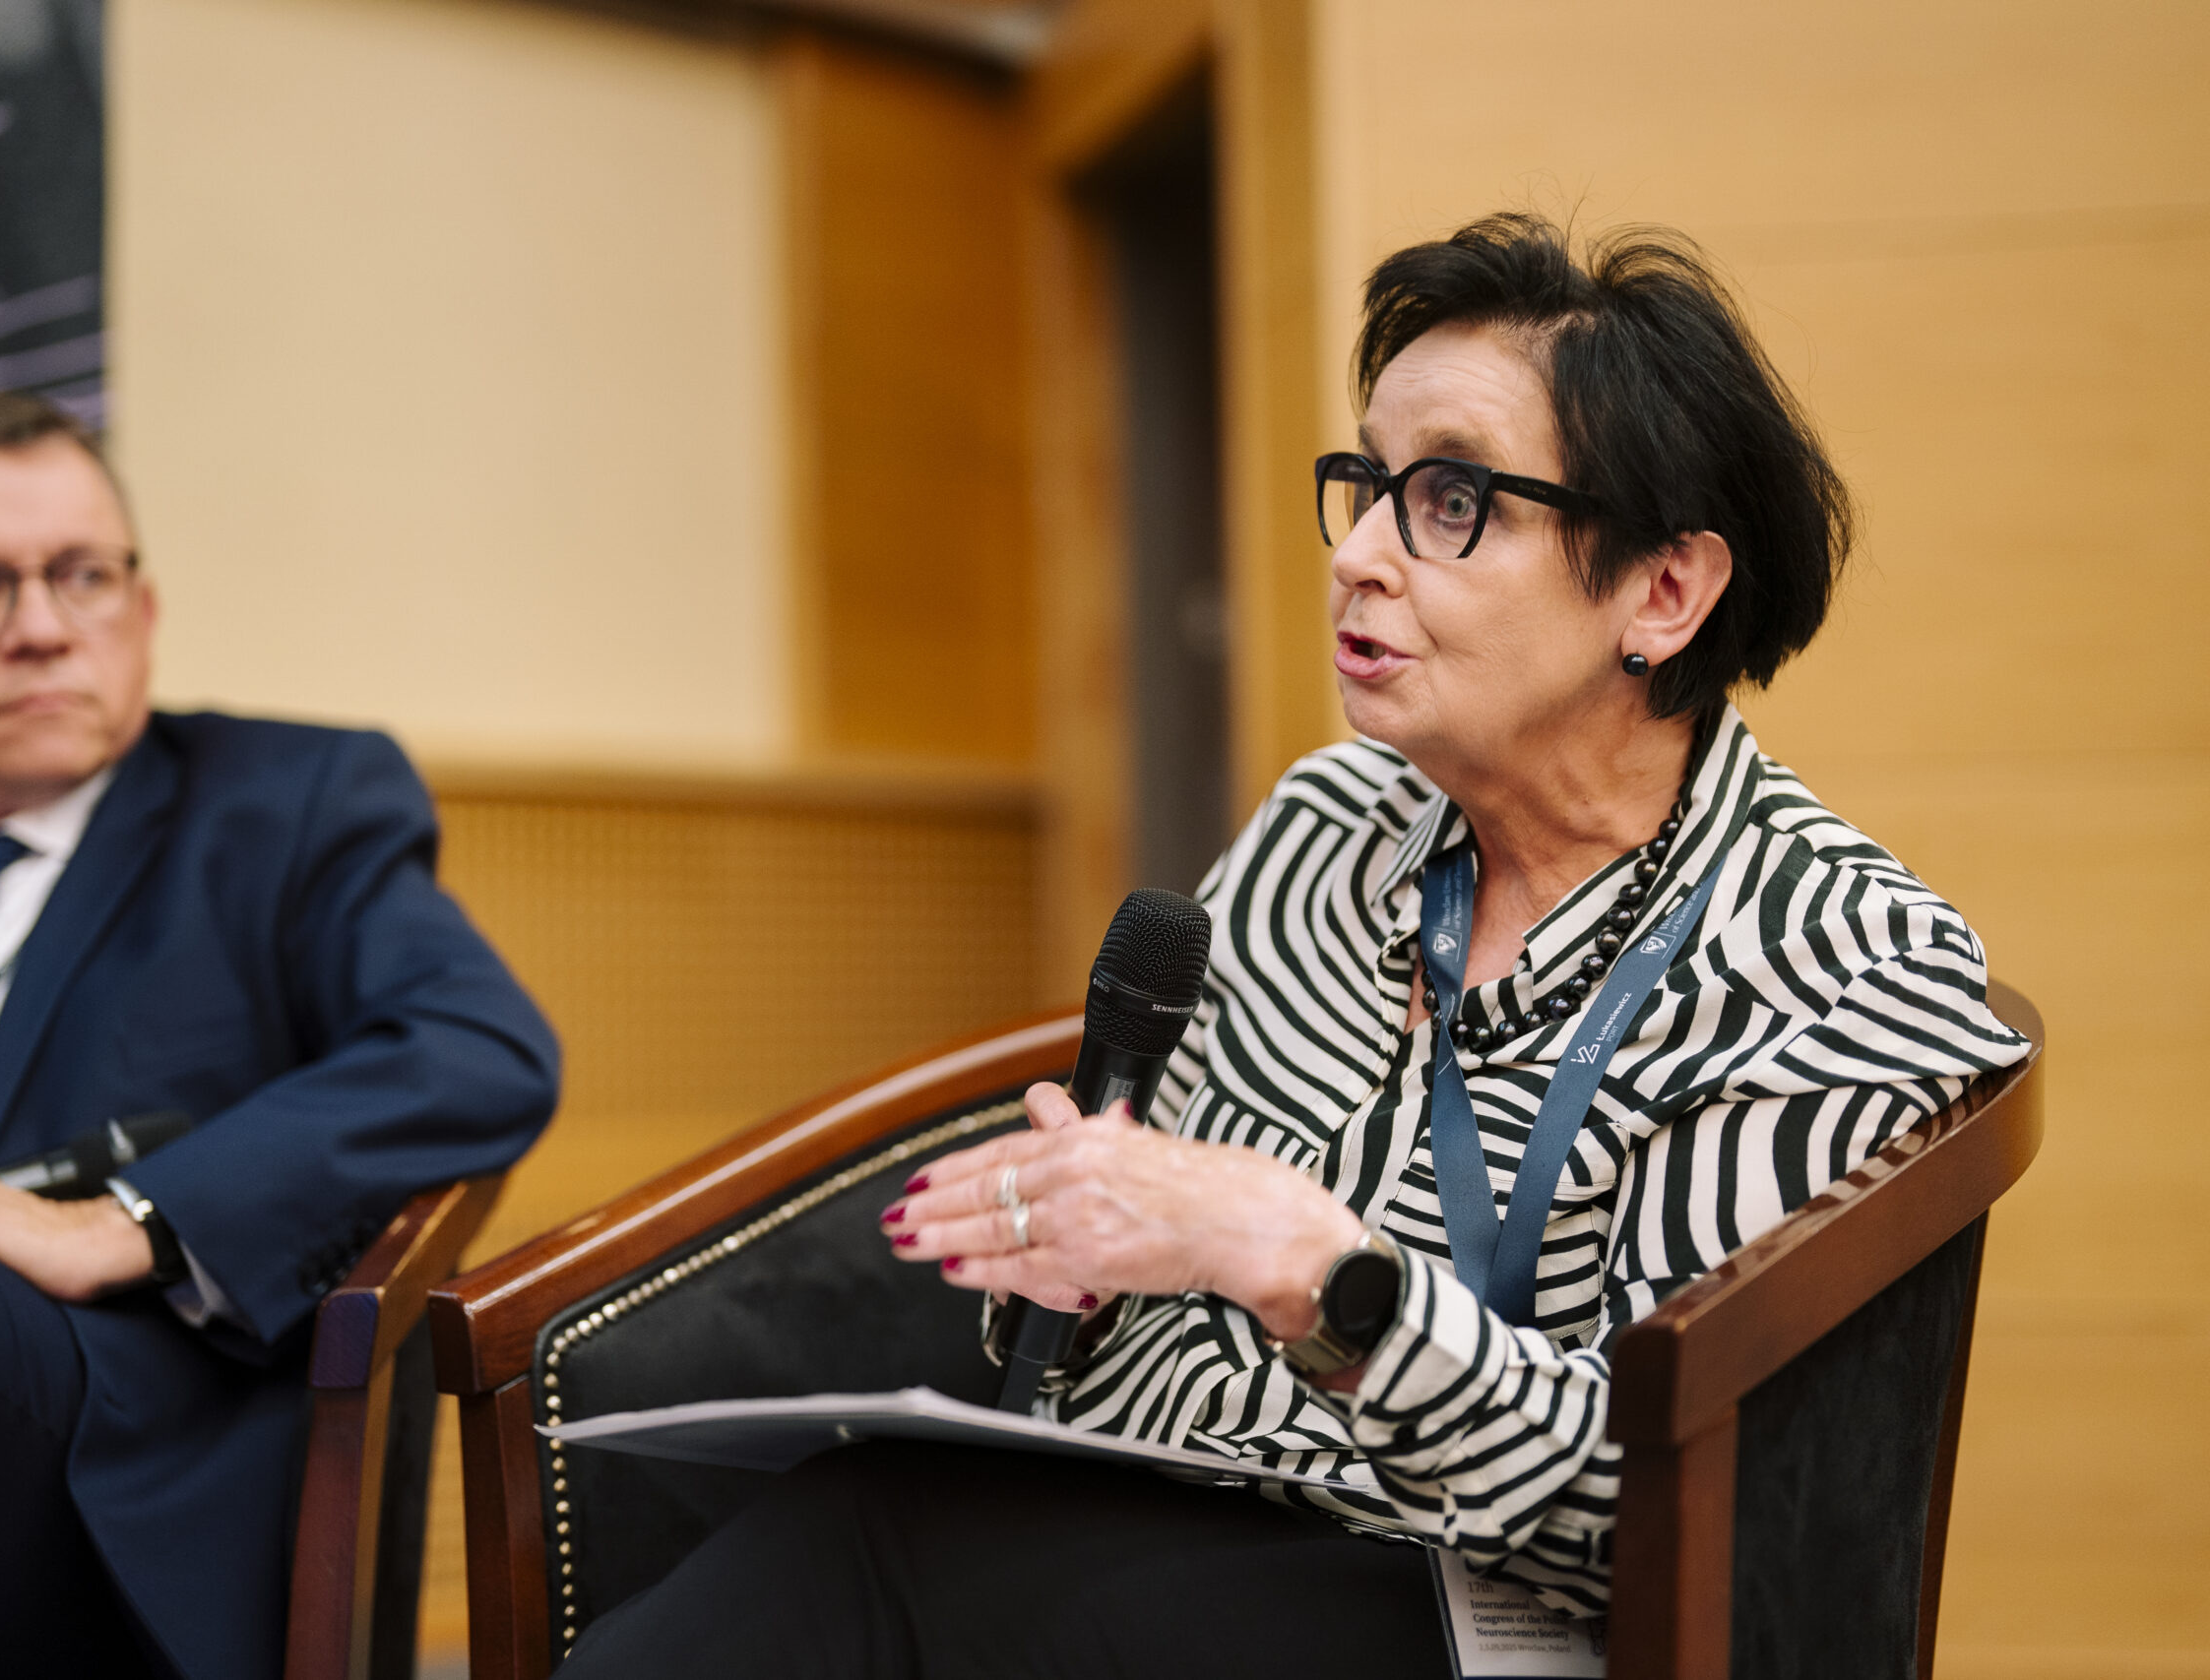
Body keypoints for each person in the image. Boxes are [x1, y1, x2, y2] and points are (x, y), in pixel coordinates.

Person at [562, 215, 2032, 1677]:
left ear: (1663, 590)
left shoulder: (1834, 963)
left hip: (1472, 1614)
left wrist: (1315, 1273)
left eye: (1452, 499)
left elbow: (1674, 1521)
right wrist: (1080, 1260)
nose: (1362, 556)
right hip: (1157, 1522)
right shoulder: (1329, 824)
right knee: (863, 1526)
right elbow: (1154, 1283)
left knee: (874, 1557)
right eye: (1369, 486)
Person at [0, 394, 560, 1680]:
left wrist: (120, 1224)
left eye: (83, 576)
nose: (43, 628)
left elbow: (475, 1047)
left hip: (66, 1455)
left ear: (143, 612)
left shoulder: (285, 808)